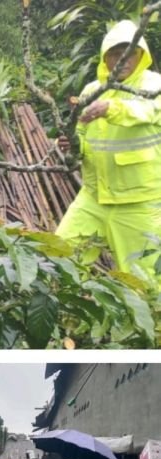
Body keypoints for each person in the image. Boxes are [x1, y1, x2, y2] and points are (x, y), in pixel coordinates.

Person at [56, 20, 161, 281]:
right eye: (114, 53)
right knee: (58, 258)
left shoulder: (154, 85)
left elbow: (148, 111)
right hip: (93, 198)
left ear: (141, 55)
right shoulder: (93, 90)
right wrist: (73, 144)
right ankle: (70, 306)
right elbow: (82, 132)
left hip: (139, 203)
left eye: (129, 53)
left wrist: (111, 109)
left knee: (144, 279)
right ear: (104, 57)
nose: (122, 60)